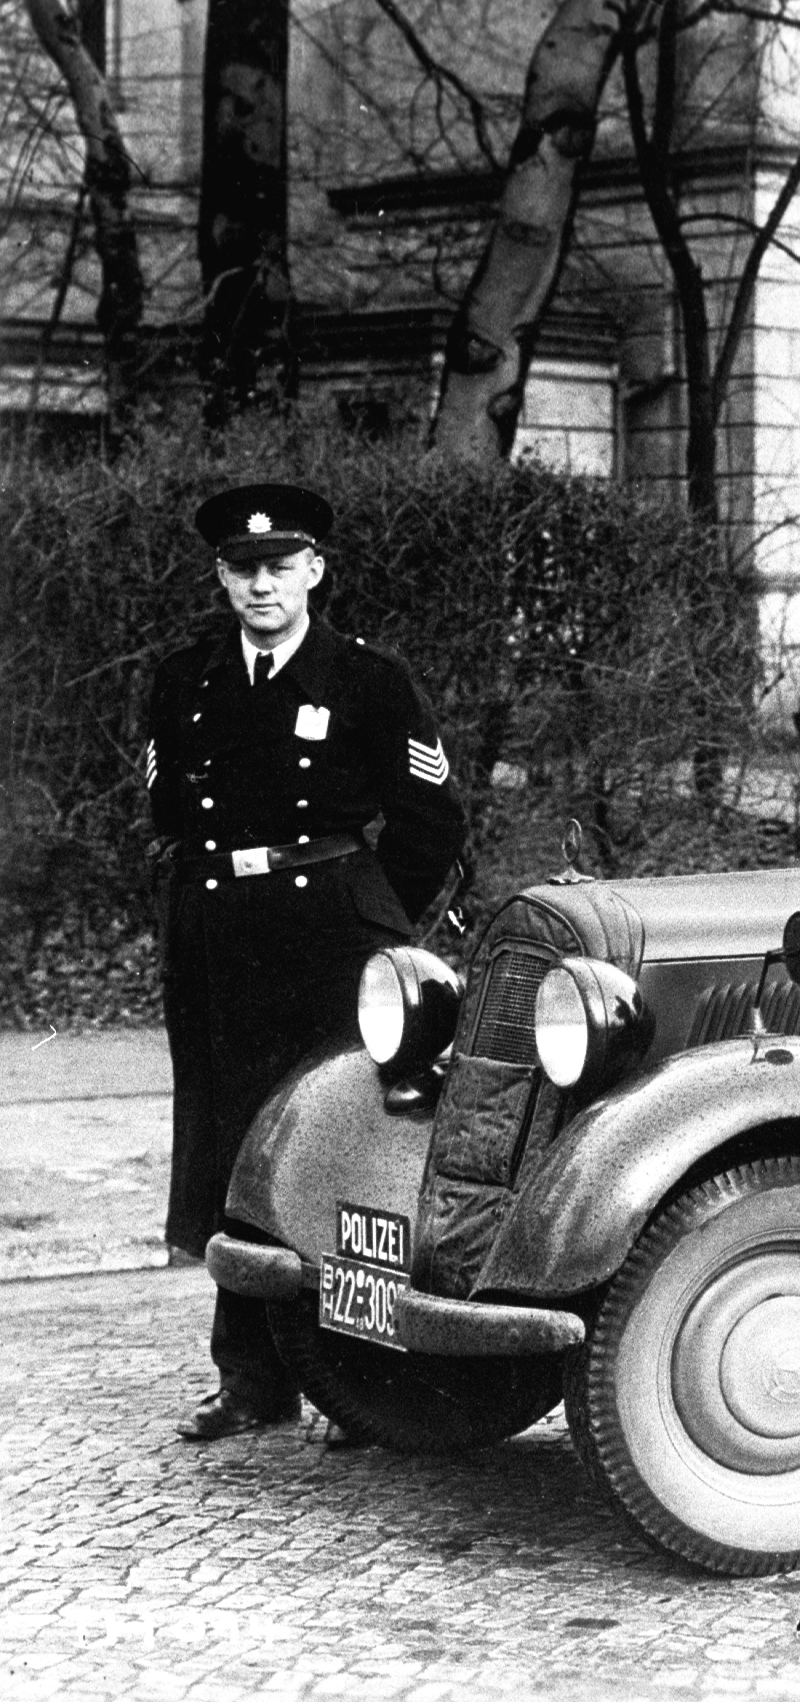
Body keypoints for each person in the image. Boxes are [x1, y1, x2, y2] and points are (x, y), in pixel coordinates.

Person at [146, 481, 465, 1441]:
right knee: (233, 1147)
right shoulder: (185, 678)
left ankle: (356, 1382)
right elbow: (169, 814)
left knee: (346, 1146)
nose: (260, 586)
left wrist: (371, 923)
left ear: (314, 572)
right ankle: (250, 1378)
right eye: (242, 570)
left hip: (332, 939)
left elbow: (431, 822)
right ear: (221, 578)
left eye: (280, 567)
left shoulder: (368, 680)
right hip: (217, 934)